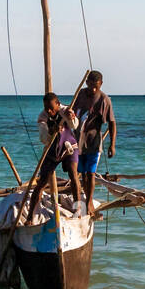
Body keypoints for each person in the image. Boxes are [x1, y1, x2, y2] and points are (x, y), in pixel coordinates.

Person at [24, 92, 82, 222]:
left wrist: (70, 117)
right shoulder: (42, 117)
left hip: (69, 148)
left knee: (73, 176)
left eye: (51, 108)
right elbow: (44, 138)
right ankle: (29, 217)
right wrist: (51, 131)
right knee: (42, 182)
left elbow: (75, 125)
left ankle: (79, 211)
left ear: (58, 104)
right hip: (52, 151)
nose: (49, 111)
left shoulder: (66, 110)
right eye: (46, 108)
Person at [71, 70, 116, 212]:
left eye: (96, 86)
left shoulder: (104, 100)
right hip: (78, 140)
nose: (93, 89)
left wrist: (112, 145)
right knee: (82, 173)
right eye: (91, 85)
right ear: (86, 83)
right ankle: (83, 199)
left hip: (94, 141)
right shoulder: (80, 95)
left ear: (101, 84)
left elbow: (112, 123)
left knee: (90, 173)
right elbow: (71, 111)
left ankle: (89, 201)